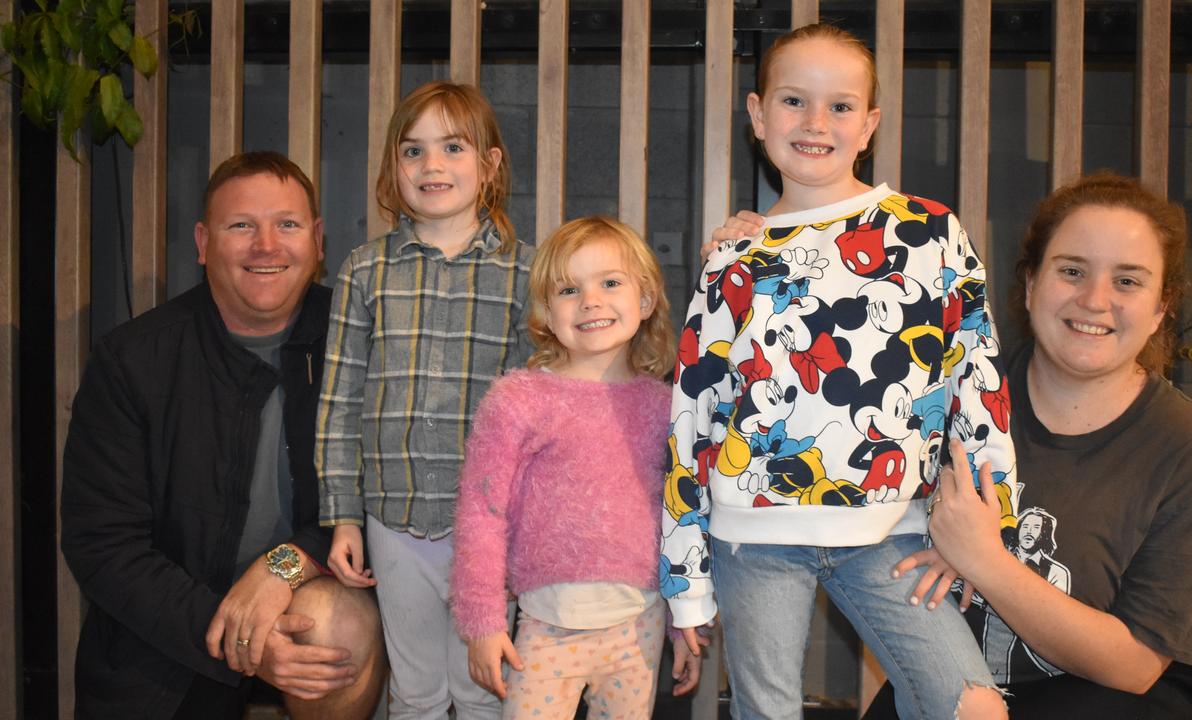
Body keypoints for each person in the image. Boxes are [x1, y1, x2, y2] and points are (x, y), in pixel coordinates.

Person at [663, 22, 1015, 720]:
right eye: (794, 101)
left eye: (841, 106)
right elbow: (691, 416)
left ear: (870, 123)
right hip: (752, 535)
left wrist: (986, 528)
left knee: (972, 707)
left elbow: (979, 385)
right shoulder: (734, 256)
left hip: (895, 533)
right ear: (758, 114)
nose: (816, 122)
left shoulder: (931, 232)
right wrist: (687, 586)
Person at [824, 171, 1192, 718]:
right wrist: (755, 247)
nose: (1094, 300)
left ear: (1162, 307)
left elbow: (1135, 668)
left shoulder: (1187, 448)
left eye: (1128, 281)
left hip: (1124, 697)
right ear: (1031, 284)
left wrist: (985, 561)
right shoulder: (952, 394)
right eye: (1071, 271)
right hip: (961, 680)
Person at [60, 151, 386, 719]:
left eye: (286, 224)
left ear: (316, 240)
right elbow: (102, 543)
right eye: (242, 226)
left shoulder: (364, 343)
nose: (266, 246)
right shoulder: (134, 359)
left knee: (341, 628)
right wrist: (242, 639)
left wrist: (286, 564)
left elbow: (392, 495)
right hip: (171, 631)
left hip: (310, 601)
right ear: (204, 242)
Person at [316, 80, 533, 718]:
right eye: (413, 151)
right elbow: (338, 400)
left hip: (490, 526)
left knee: (483, 686)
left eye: (453, 147)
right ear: (393, 167)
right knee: (414, 688)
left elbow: (539, 408)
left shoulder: (528, 272)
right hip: (392, 515)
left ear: (490, 165)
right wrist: (344, 515)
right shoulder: (365, 270)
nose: (431, 165)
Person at [450, 216, 704, 717]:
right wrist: (482, 622)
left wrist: (684, 618)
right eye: (569, 289)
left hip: (639, 627)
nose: (591, 301)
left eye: (610, 283)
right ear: (546, 311)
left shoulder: (666, 405)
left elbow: (682, 518)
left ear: (646, 299)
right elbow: (481, 514)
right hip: (545, 627)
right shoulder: (518, 400)